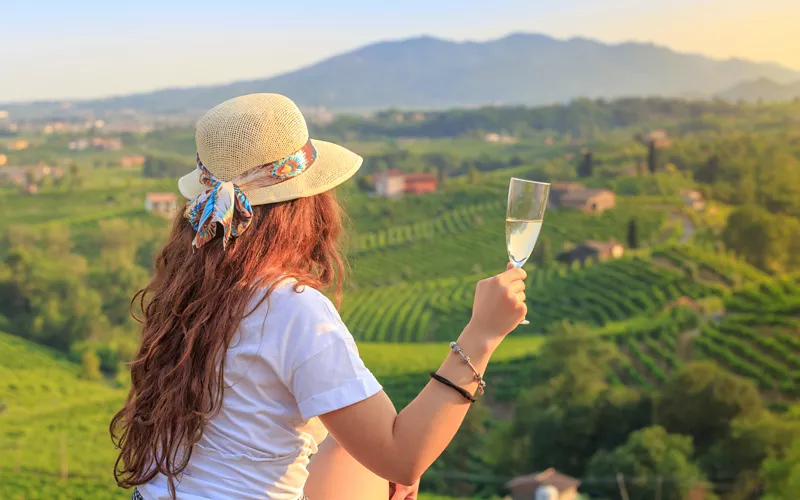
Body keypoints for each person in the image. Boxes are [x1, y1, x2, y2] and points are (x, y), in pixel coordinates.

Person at [110, 94, 528, 500]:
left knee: (351, 445)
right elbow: (404, 458)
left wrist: (374, 459)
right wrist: (482, 335)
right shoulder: (291, 308)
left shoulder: (190, 294)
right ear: (307, 204)